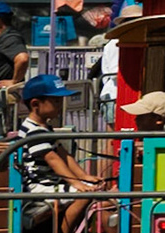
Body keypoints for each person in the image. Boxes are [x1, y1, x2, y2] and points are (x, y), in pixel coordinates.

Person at [15, 74, 111, 233]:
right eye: (56, 101)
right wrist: (76, 184)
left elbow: (64, 155)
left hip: (50, 185)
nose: (60, 105)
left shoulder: (45, 128)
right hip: (39, 188)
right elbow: (53, 160)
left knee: (91, 188)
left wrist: (84, 177)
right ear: (35, 104)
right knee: (84, 195)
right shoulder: (34, 131)